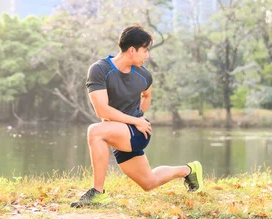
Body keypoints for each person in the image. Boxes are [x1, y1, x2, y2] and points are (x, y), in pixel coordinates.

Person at [71, 24, 204, 208]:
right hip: (124, 128)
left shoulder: (144, 76)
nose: (147, 55)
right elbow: (102, 111)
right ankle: (189, 170)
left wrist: (138, 118)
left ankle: (97, 193)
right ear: (132, 50)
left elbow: (146, 95)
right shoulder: (100, 70)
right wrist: (134, 120)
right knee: (149, 183)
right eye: (145, 50)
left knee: (95, 131)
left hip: (137, 132)